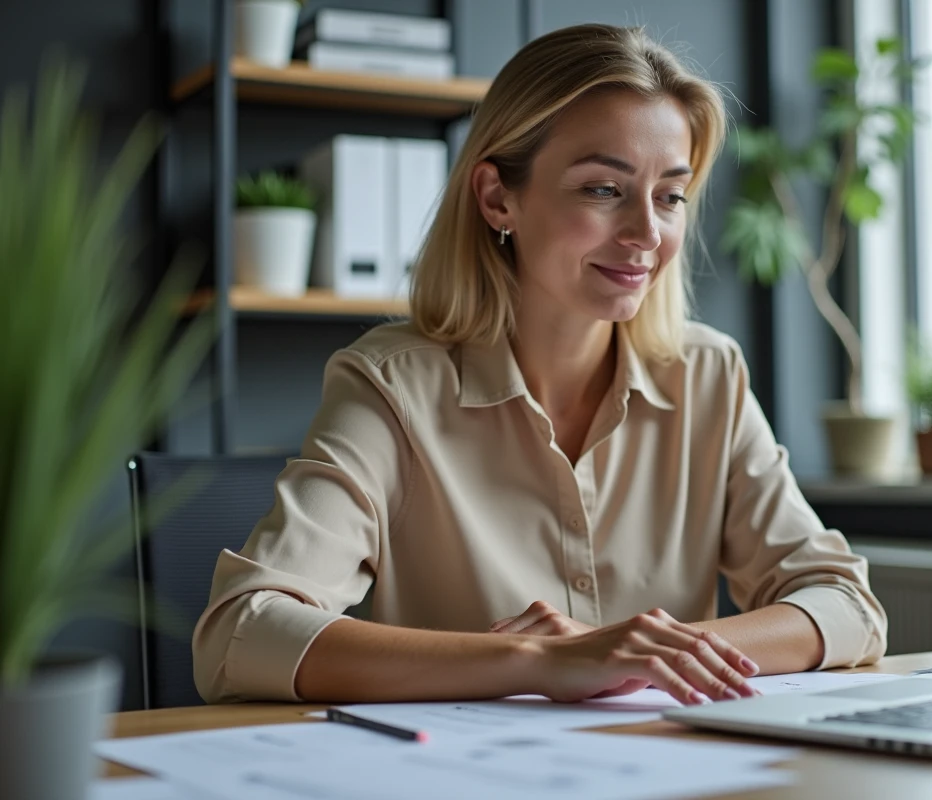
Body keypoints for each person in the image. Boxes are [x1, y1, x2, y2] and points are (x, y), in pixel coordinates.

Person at [193, 23, 886, 707]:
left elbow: (847, 606)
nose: (648, 233)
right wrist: (535, 660)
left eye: (670, 195)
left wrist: (647, 655)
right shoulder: (390, 386)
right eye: (603, 190)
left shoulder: (708, 374)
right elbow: (238, 634)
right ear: (498, 198)